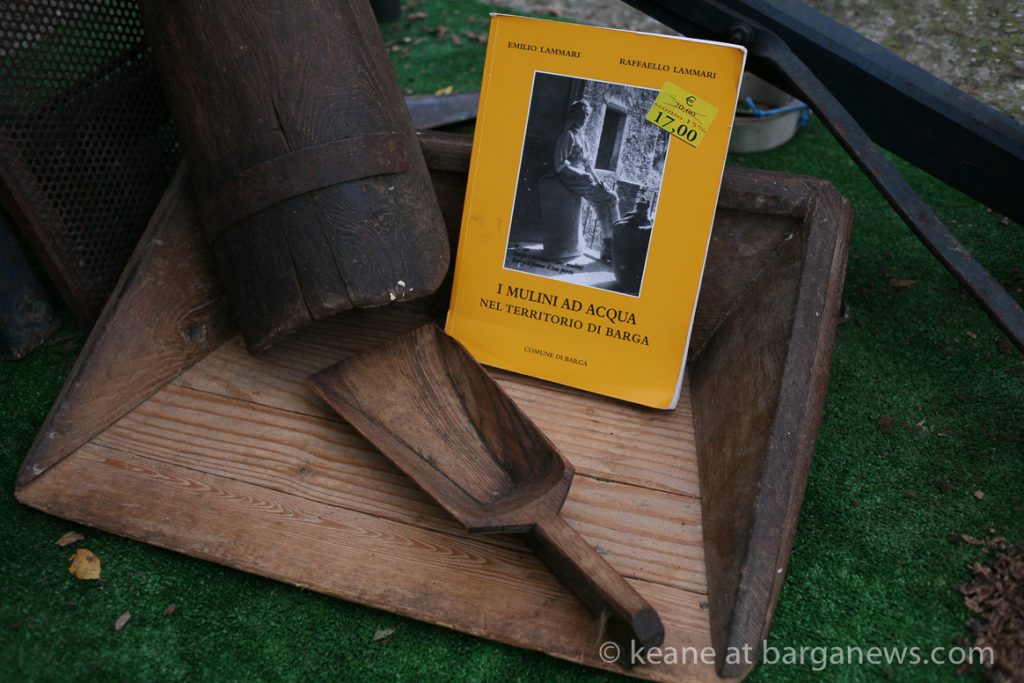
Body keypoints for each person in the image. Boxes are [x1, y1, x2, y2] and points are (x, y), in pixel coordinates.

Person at [553, 100, 620, 263]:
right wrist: (580, 174)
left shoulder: (583, 139)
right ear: (573, 115)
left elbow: (588, 166)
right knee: (612, 197)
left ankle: (608, 249)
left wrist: (599, 182)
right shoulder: (567, 136)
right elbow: (559, 165)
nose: (584, 118)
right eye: (581, 114)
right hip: (570, 178)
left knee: (602, 205)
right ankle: (618, 242)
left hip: (583, 178)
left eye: (587, 115)